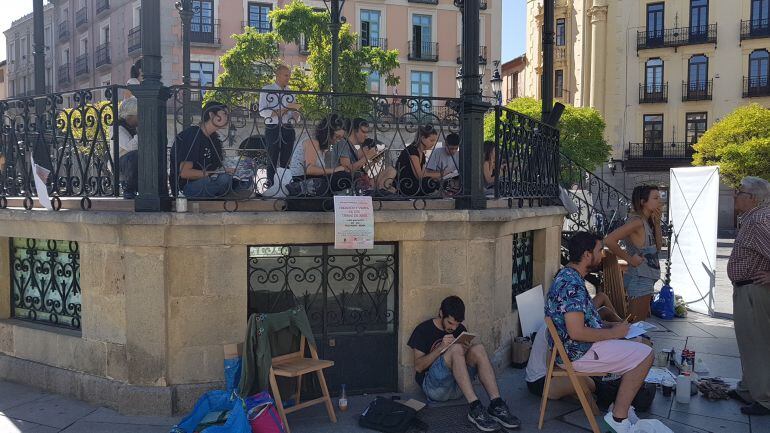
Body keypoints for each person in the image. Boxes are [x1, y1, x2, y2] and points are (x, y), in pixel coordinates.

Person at [546, 232, 653, 433]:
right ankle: (618, 419)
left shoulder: (570, 277)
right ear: (587, 255)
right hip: (578, 352)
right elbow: (577, 332)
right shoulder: (571, 285)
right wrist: (613, 334)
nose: (602, 255)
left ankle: (621, 407)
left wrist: (611, 327)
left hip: (577, 348)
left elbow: (584, 321)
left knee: (643, 343)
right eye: (599, 250)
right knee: (646, 355)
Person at [407, 296, 520, 432]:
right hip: (434, 388)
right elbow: (418, 367)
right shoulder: (423, 330)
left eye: (457, 324)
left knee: (478, 349)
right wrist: (440, 348)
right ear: (441, 313)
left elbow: (464, 359)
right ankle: (475, 407)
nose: (453, 327)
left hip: (458, 387)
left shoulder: (459, 328)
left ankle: (496, 404)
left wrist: (465, 351)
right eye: (450, 323)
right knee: (455, 349)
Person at [526, 292, 621, 399]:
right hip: (541, 380)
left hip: (554, 371)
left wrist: (610, 327)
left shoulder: (570, 319)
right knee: (594, 384)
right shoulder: (558, 326)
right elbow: (554, 364)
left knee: (598, 373)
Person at [728, 176, 770, 416]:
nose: (735, 195)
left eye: (739, 192)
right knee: (749, 342)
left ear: (752, 198)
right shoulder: (756, 217)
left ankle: (764, 398)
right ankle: (748, 388)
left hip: (754, 291)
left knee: (757, 345)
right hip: (747, 288)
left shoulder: (759, 220)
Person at [604, 185, 663, 322]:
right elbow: (609, 240)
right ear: (643, 202)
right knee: (634, 326)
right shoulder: (637, 222)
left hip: (646, 278)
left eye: (659, 198)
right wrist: (630, 259)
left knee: (637, 325)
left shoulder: (647, 222)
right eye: (655, 198)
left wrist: (658, 224)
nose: (659, 201)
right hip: (639, 278)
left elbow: (658, 248)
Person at [170, 101, 251, 198]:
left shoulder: (214, 139)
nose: (228, 118)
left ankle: (229, 193)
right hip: (187, 187)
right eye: (225, 114)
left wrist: (236, 169)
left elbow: (218, 167)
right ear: (211, 114)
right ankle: (230, 194)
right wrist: (216, 173)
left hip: (209, 181)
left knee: (246, 178)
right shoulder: (192, 135)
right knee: (224, 179)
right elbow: (185, 173)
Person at [259, 65, 299, 188]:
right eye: (286, 75)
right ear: (278, 75)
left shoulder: (290, 92)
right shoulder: (267, 89)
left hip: (287, 127)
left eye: (289, 75)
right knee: (272, 156)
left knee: (286, 158)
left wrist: (296, 114)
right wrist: (283, 110)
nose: (288, 78)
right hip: (273, 127)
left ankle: (284, 183)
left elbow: (292, 113)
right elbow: (262, 111)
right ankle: (270, 183)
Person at [288, 114, 349, 194]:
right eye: (337, 137)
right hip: (303, 181)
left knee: (345, 176)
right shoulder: (312, 142)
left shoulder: (320, 145)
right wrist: (334, 170)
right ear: (328, 132)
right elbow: (309, 170)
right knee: (344, 177)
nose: (338, 140)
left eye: (341, 138)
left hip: (313, 180)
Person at [333, 118, 397, 192]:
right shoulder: (343, 143)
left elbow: (358, 170)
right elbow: (347, 169)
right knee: (389, 184)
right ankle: (381, 193)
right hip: (348, 186)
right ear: (354, 131)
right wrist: (367, 157)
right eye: (363, 132)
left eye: (367, 132)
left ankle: (381, 192)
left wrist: (372, 161)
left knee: (391, 171)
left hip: (358, 182)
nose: (366, 135)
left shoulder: (353, 148)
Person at [395, 125, 442, 196]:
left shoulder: (421, 154)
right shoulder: (412, 150)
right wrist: (440, 174)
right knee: (429, 182)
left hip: (414, 183)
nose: (433, 143)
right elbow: (419, 175)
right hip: (406, 184)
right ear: (422, 138)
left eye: (435, 141)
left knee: (436, 182)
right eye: (431, 140)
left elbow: (424, 173)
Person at [117, 97, 139, 199]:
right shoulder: (117, 128)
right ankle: (129, 190)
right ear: (129, 116)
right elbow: (130, 147)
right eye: (137, 116)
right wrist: (141, 132)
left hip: (131, 163)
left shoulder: (133, 128)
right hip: (121, 163)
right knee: (135, 155)